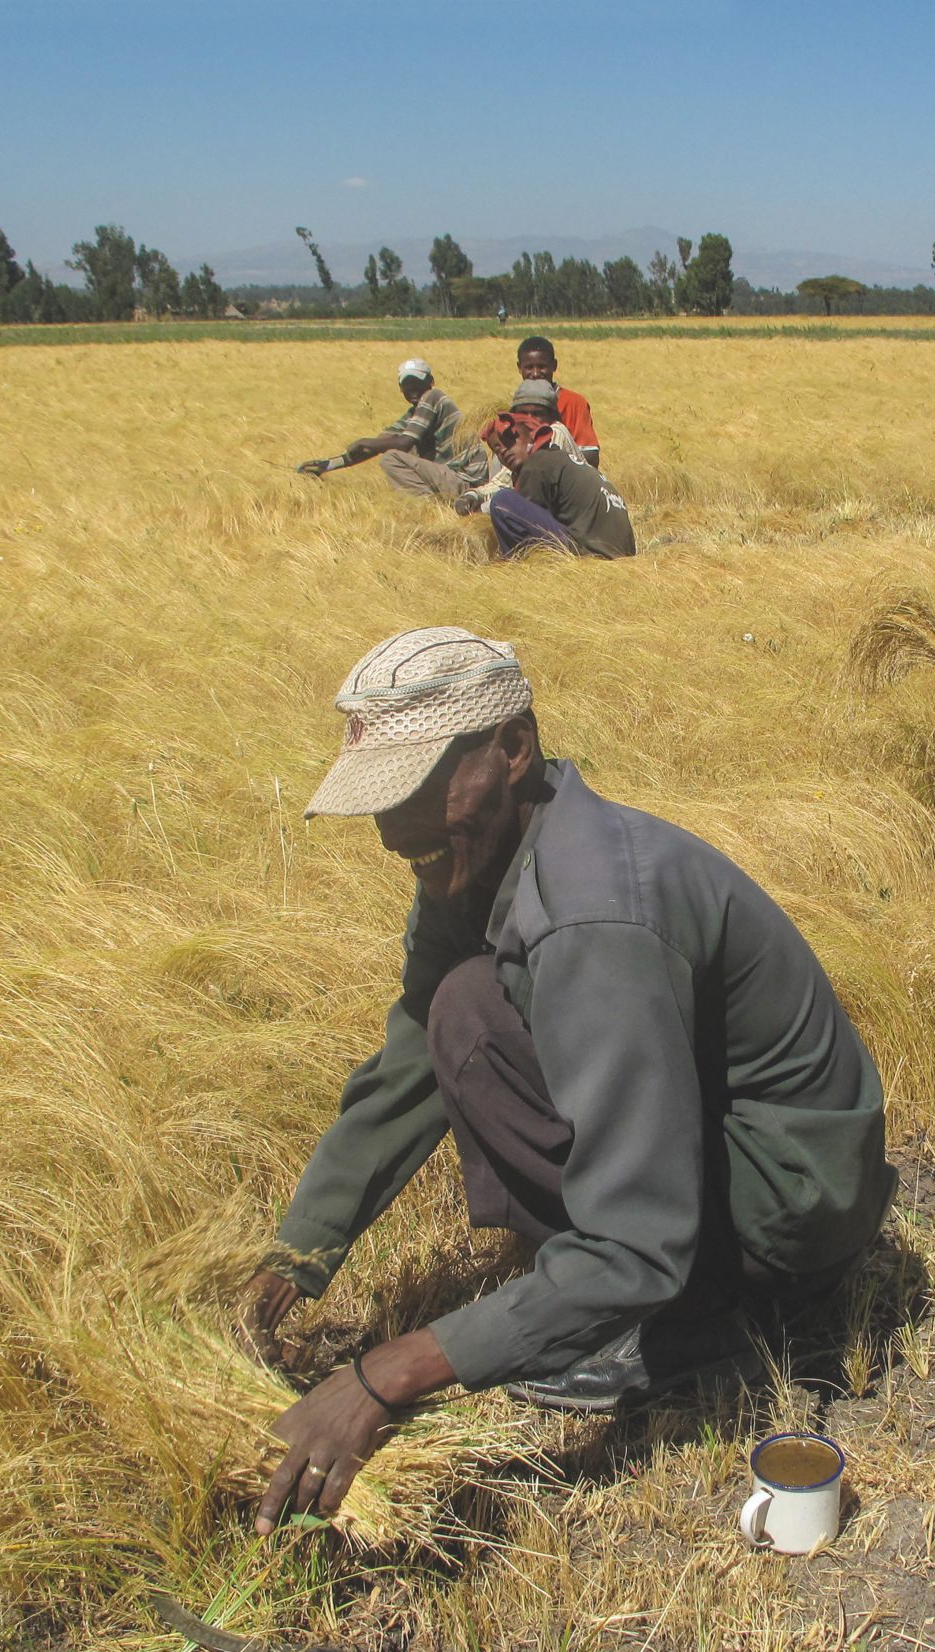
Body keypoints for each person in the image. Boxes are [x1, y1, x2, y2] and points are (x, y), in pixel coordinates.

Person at [242, 628, 890, 1521]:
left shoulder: (593, 915)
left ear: (514, 750)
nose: (397, 832)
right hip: (723, 1151)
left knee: (611, 1235)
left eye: (424, 788)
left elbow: (635, 1242)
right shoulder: (472, 861)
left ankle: (702, 1322)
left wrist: (390, 1374)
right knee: (462, 1008)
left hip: (792, 1206)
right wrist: (295, 1258)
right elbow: (404, 1072)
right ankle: (632, 1295)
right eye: (383, 801)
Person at [464, 384, 636, 559]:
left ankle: (514, 568)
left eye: (510, 440)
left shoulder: (538, 463)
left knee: (502, 502)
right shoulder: (558, 459)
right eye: (497, 450)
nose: (504, 451)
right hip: (619, 554)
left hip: (591, 554)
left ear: (531, 434)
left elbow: (522, 514)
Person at [295, 358, 491, 502]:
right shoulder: (413, 415)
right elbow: (377, 445)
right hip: (454, 479)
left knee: (392, 457)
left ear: (430, 382)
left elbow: (404, 442)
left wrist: (363, 441)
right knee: (393, 451)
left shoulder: (433, 397)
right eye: (407, 385)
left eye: (417, 383)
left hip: (468, 482)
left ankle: (429, 507)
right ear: (400, 388)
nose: (412, 389)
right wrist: (328, 465)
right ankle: (436, 505)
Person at [516, 336, 601, 468]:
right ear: (519, 368)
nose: (535, 373)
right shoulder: (518, 404)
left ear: (554, 366)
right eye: (529, 367)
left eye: (542, 367)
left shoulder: (574, 402)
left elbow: (590, 455)